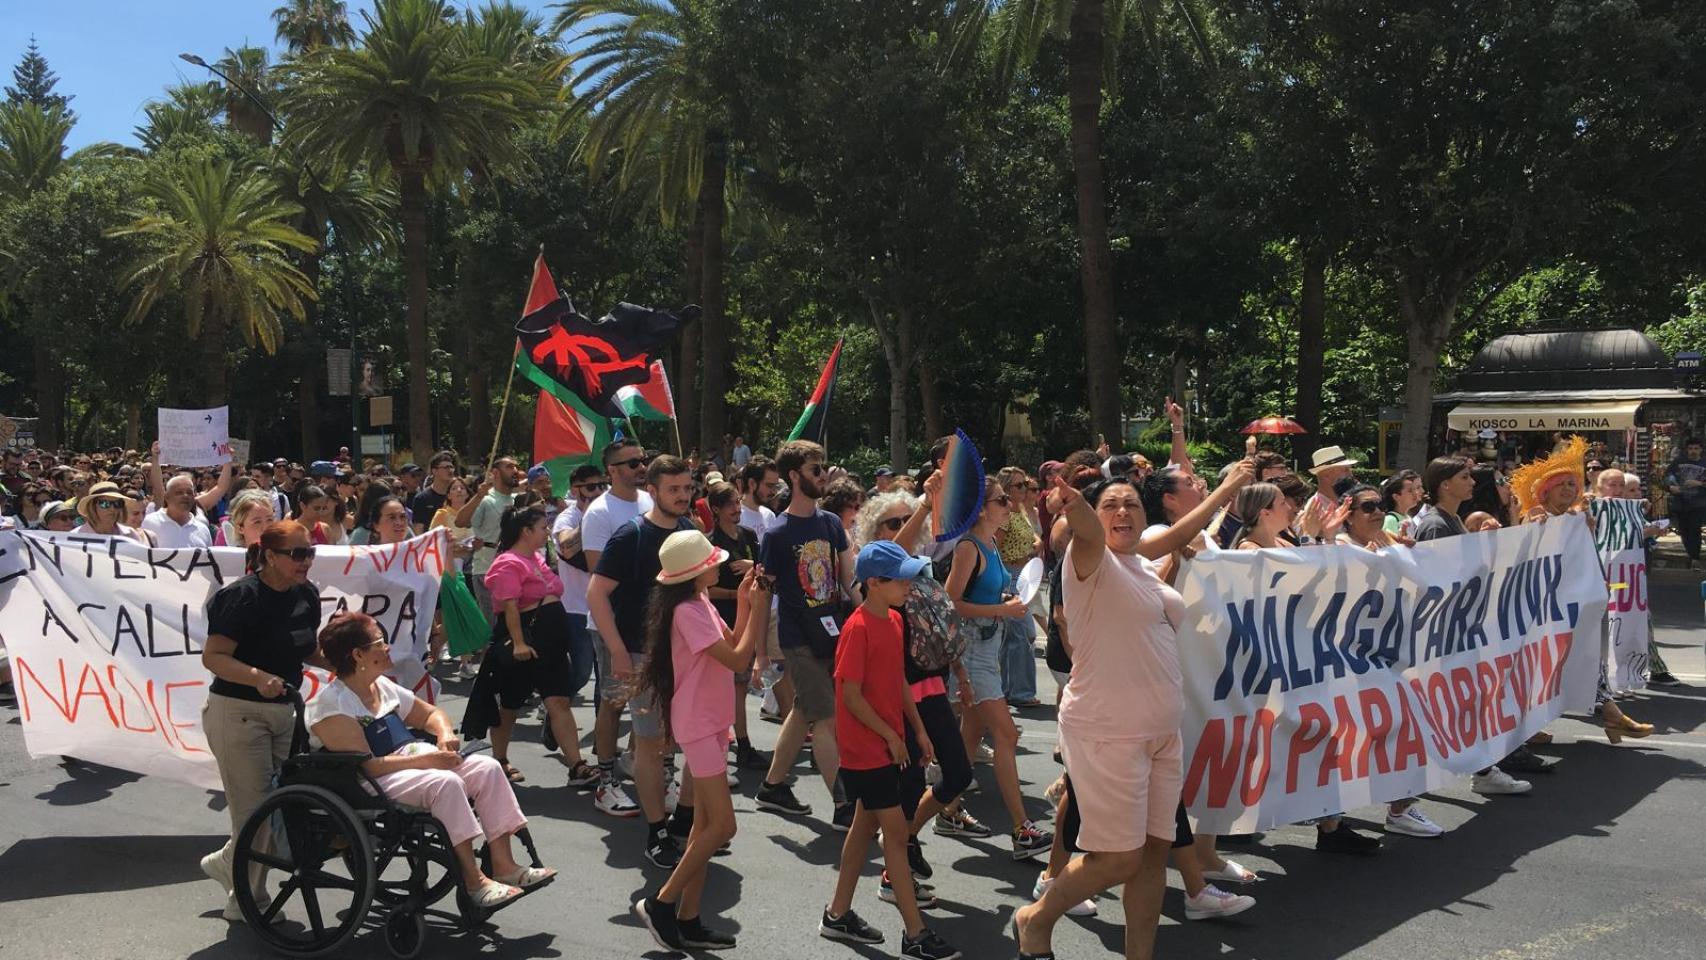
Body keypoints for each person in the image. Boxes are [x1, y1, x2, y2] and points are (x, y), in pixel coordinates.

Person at [1013, 471, 1206, 960]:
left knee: (1154, 854)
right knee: (1118, 859)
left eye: (1133, 505)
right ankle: (1034, 920)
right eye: (1111, 505)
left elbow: (1175, 547)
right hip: (1109, 732)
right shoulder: (1088, 561)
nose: (1124, 512)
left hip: (1162, 732)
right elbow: (1088, 532)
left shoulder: (1140, 565)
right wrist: (1075, 506)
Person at [308, 612, 551, 910]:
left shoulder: (382, 686)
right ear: (358, 654)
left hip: (413, 762)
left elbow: (430, 714)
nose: (388, 648)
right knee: (444, 782)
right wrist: (428, 762)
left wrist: (443, 734)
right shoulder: (332, 704)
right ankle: (475, 882)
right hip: (371, 781)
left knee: (487, 768)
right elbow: (368, 766)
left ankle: (504, 865)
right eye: (380, 642)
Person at [818, 540, 959, 960]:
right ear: (875, 583)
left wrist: (917, 729)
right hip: (866, 750)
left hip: (888, 743)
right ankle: (915, 933)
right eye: (901, 578)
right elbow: (850, 696)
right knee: (895, 835)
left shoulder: (895, 621)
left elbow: (898, 679)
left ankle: (837, 914)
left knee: (864, 827)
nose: (910, 583)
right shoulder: (857, 628)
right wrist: (891, 735)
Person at [632, 532, 769, 952]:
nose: (719, 565)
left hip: (709, 719)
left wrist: (745, 603)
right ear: (697, 571)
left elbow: (731, 644)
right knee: (723, 826)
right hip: (698, 722)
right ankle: (661, 903)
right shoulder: (689, 611)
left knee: (704, 828)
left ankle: (688, 918)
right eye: (713, 561)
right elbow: (739, 657)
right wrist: (760, 610)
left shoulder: (699, 603)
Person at [197, 520, 328, 921]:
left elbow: (306, 649)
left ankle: (225, 862)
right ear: (269, 556)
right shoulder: (241, 598)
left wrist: (348, 663)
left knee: (276, 808)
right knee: (255, 812)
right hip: (237, 713)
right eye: (297, 554)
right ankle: (247, 902)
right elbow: (214, 657)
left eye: (309, 553)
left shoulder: (307, 594)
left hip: (285, 713)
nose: (306, 561)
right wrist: (257, 677)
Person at [852, 480, 977, 892]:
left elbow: (941, 628)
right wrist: (924, 504)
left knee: (957, 774)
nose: (901, 528)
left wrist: (960, 674)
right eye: (891, 523)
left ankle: (904, 838)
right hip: (894, 697)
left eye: (905, 521)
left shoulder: (919, 573)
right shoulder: (874, 578)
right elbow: (897, 552)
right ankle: (894, 871)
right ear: (874, 532)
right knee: (902, 790)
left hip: (931, 687)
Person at [588, 454, 700, 866]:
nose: (683, 496)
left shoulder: (690, 531)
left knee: (692, 742)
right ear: (651, 491)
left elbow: (697, 592)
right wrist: (617, 650)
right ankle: (657, 832)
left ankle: (685, 822)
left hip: (687, 657)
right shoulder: (629, 536)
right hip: (641, 656)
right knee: (650, 745)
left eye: (688, 488)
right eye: (674, 489)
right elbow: (596, 595)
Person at [1513, 440, 1655, 743]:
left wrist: (1594, 576)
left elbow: (1584, 558)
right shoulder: (1536, 518)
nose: (1568, 489)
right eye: (1561, 484)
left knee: (1586, 655)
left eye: (1572, 484)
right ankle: (1526, 723)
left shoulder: (1578, 519)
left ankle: (1610, 713)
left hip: (1575, 603)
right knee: (1542, 664)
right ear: (1545, 490)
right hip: (1542, 608)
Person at [1417, 455, 1543, 792]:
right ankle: (1481, 772)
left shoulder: (1451, 520)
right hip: (1447, 632)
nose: (1473, 483)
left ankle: (1477, 769)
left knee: (1465, 703)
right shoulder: (1436, 525)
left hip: (1460, 629)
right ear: (1445, 484)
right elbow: (1436, 580)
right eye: (1465, 477)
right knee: (1462, 703)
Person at [946, 475, 1053, 860]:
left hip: (988, 648)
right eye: (1002, 500)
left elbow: (985, 593)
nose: (1011, 505)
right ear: (981, 508)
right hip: (973, 652)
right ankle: (1022, 828)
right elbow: (950, 602)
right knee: (1006, 735)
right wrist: (1000, 609)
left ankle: (948, 807)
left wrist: (1005, 600)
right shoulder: (968, 548)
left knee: (971, 733)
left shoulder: (991, 543)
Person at [756, 440, 856, 828]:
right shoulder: (777, 534)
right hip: (797, 637)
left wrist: (872, 612)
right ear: (794, 476)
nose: (824, 475)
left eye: (824, 467)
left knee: (804, 710)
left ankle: (772, 786)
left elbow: (849, 579)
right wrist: (761, 655)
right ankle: (844, 803)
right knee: (826, 716)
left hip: (832, 633)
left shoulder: (830, 523)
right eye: (816, 469)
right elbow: (763, 593)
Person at [480, 504, 598, 787]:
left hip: (550, 644)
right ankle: (500, 760)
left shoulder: (535, 558)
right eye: (543, 528)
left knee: (558, 700)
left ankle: (576, 765)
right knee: (509, 704)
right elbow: (509, 607)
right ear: (526, 531)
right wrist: (519, 643)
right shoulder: (508, 562)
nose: (547, 532)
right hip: (525, 643)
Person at [579, 440, 655, 819]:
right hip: (613, 625)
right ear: (612, 470)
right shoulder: (599, 513)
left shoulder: (649, 501)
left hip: (651, 624)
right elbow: (599, 576)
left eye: (643, 460)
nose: (641, 467)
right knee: (614, 703)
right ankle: (605, 782)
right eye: (632, 463)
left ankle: (642, 766)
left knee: (653, 701)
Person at [705, 481, 768, 770]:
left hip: (749, 616)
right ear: (715, 509)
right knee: (732, 685)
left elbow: (765, 570)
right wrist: (739, 592)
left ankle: (735, 740)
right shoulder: (709, 543)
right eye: (730, 504)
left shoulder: (748, 535)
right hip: (723, 619)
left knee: (738, 685)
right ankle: (737, 742)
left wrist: (752, 567)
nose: (736, 509)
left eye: (738, 503)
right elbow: (708, 589)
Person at [548, 464, 607, 710]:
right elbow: (566, 547)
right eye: (591, 487)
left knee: (605, 678)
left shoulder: (607, 510)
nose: (598, 491)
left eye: (602, 485)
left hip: (605, 606)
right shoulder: (568, 517)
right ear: (575, 490)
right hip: (576, 609)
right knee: (582, 672)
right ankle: (556, 708)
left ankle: (602, 740)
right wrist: (590, 518)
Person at [463, 457, 522, 629]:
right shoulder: (485, 499)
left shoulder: (518, 500)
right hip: (486, 570)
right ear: (495, 472)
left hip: (515, 571)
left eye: (516, 467)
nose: (515, 471)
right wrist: (477, 496)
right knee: (492, 628)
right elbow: (462, 521)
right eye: (509, 467)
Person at [1298, 445, 1358, 540]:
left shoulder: (1348, 501)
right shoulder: (1314, 510)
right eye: (1345, 470)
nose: (1351, 474)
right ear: (1326, 475)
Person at [1664, 438, 1706, 567]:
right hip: (1681, 502)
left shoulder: (1704, 463)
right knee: (1684, 530)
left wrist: (1698, 483)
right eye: (1691, 448)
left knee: (1694, 529)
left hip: (1699, 503)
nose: (1693, 451)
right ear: (1687, 450)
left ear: (1701, 449)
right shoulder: (1678, 462)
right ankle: (1690, 554)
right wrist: (1671, 487)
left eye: (1696, 448)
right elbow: (1666, 477)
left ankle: (1695, 557)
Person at [76, 481, 152, 545]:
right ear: (92, 506)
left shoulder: (130, 534)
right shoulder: (74, 538)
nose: (112, 508)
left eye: (117, 504)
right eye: (105, 503)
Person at [412, 451, 458, 534]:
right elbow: (418, 531)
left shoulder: (457, 496)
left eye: (451, 467)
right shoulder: (422, 498)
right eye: (446, 467)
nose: (450, 470)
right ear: (434, 471)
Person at [1379, 469, 1422, 540]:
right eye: (1410, 491)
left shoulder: (1408, 517)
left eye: (1415, 489)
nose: (1415, 493)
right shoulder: (1391, 520)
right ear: (1396, 497)